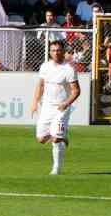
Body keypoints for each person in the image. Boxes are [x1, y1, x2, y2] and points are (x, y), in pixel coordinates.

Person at [30, 39, 81, 175]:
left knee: (56, 138)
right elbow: (40, 85)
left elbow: (76, 91)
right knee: (41, 139)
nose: (56, 53)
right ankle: (63, 136)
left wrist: (66, 103)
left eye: (58, 50)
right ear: (49, 52)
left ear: (63, 52)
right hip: (47, 106)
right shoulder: (45, 67)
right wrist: (35, 102)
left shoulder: (69, 69)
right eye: (53, 50)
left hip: (62, 108)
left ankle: (56, 169)